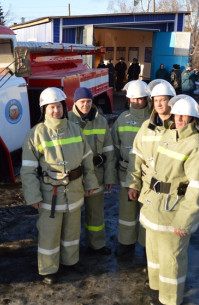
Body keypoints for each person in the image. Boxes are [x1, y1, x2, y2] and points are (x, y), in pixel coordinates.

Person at [138, 95, 199, 305]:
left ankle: (170, 299)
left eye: (184, 117)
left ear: (193, 119)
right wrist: (145, 198)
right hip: (155, 208)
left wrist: (185, 221)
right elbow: (152, 171)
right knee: (153, 255)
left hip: (173, 213)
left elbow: (198, 189)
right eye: (177, 115)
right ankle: (156, 289)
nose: (179, 120)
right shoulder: (168, 136)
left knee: (171, 260)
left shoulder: (197, 147)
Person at [20, 87, 99, 285]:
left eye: (58, 106)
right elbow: (28, 169)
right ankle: (48, 269)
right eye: (51, 107)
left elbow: (87, 159)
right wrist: (33, 196)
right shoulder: (36, 134)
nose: (56, 110)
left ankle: (70, 262)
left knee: (72, 231)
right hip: (49, 195)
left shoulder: (75, 129)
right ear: (44, 109)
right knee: (50, 233)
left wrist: (90, 183)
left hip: (74, 191)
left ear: (64, 107)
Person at [68, 87, 117, 256]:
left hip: (96, 175)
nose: (86, 105)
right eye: (82, 102)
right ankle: (70, 253)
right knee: (71, 218)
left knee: (95, 214)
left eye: (89, 102)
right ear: (75, 103)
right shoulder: (66, 120)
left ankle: (97, 245)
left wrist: (110, 176)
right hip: (74, 177)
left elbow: (109, 151)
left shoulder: (101, 121)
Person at [126, 81, 177, 240]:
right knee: (147, 222)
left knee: (165, 230)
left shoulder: (179, 126)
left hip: (171, 189)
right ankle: (146, 255)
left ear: (172, 101)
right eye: (156, 100)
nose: (160, 104)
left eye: (163, 99)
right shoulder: (146, 127)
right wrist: (133, 184)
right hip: (148, 186)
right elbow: (136, 157)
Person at [111, 80, 151, 256]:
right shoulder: (122, 119)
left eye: (139, 99)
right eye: (132, 99)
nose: (135, 103)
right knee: (127, 212)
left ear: (146, 99)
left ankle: (146, 247)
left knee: (147, 212)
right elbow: (114, 146)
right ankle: (126, 244)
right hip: (126, 172)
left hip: (148, 175)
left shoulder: (153, 120)